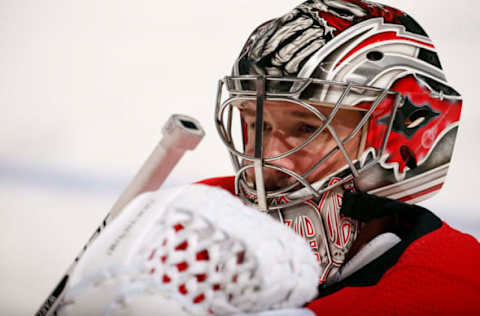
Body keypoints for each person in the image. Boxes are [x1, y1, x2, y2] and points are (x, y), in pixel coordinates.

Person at [198, 0, 480, 313]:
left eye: (306, 128)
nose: (268, 160)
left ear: (402, 134)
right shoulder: (192, 226)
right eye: (257, 123)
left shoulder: (454, 291)